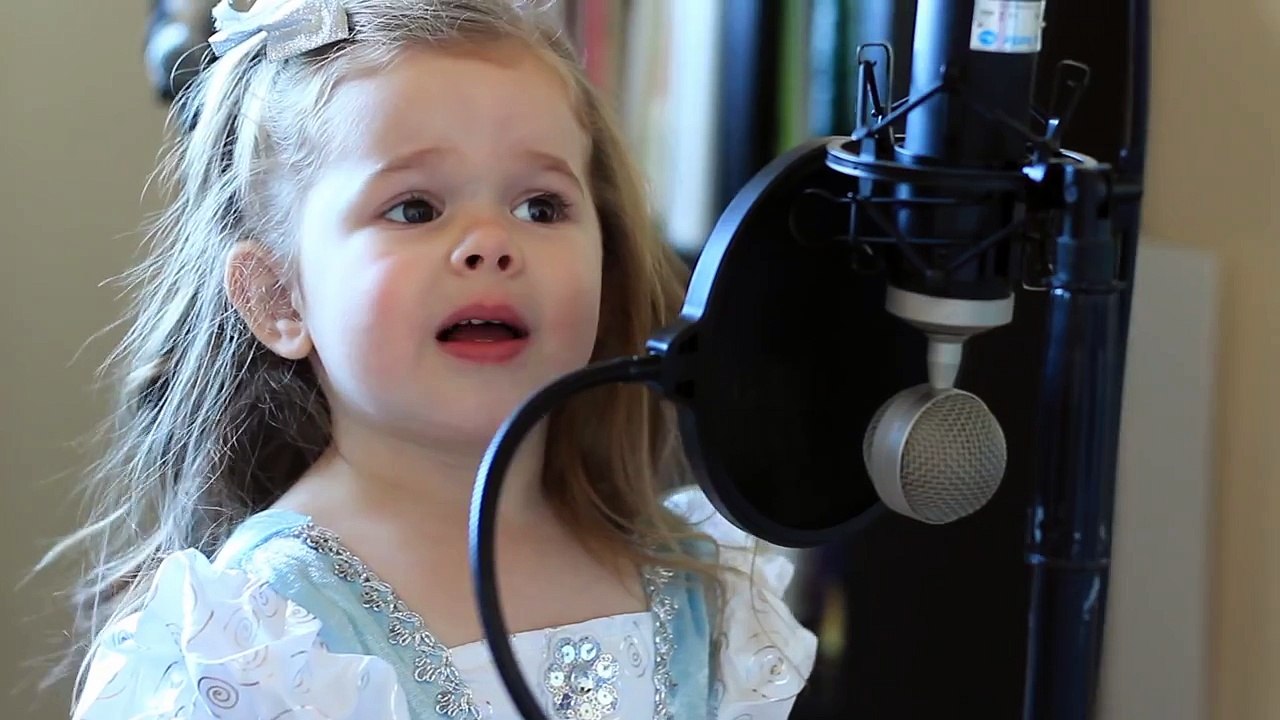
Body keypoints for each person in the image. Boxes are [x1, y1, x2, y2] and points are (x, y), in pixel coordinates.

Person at [51, 0, 817, 717]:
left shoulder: (703, 589)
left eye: (540, 206)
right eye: (414, 208)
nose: (491, 243)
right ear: (279, 297)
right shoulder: (255, 642)